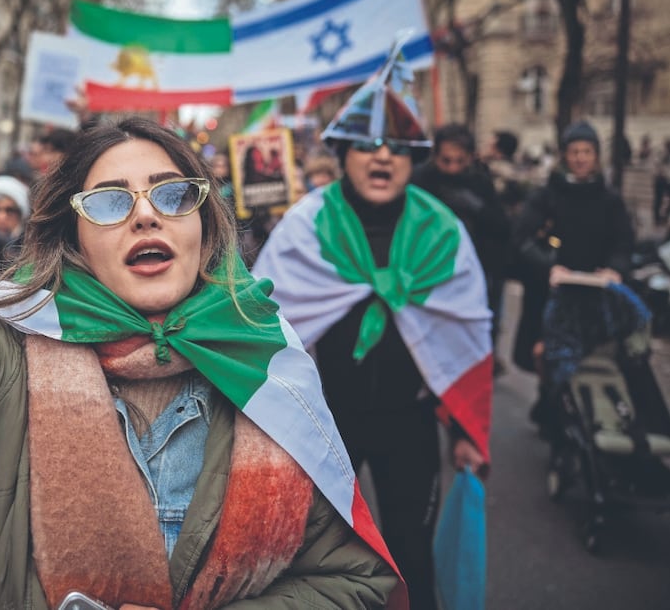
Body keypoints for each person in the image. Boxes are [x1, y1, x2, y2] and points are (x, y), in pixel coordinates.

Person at [0, 20, 402, 608]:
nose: (146, 214)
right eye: (108, 202)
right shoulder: (6, 360)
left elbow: (354, 583)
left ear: (204, 229)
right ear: (74, 240)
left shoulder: (269, 362)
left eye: (174, 194)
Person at [253, 42, 492, 610]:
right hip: (327, 424)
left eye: (398, 147)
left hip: (411, 424)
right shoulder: (305, 228)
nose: (382, 156)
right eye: (366, 144)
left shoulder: (444, 231)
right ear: (342, 154)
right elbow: (259, 324)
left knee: (411, 548)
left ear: (414, 160)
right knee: (317, 555)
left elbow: (469, 335)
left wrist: (465, 430)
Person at [511, 120, 637, 431]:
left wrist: (615, 269)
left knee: (590, 357)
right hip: (551, 292)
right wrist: (548, 266)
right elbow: (522, 238)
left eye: (587, 151)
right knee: (546, 354)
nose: (581, 158)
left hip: (595, 293)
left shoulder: (609, 199)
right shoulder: (547, 195)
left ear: (596, 156)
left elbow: (623, 241)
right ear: (565, 155)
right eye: (574, 151)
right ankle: (551, 406)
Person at [413, 123, 510, 367]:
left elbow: (501, 226)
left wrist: (475, 207)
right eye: (446, 161)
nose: (453, 168)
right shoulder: (420, 180)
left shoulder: (480, 181)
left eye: (460, 161)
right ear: (436, 156)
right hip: (430, 271)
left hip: (477, 270)